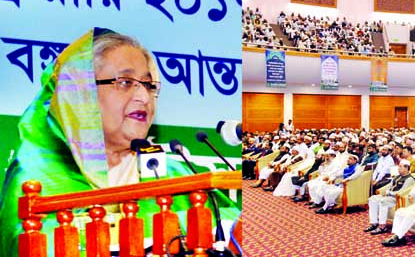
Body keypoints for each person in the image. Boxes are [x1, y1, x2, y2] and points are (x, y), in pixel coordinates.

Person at [0, 29, 239, 255]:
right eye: (125, 82)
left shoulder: (173, 174)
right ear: (80, 94)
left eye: (148, 85)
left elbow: (232, 226)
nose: (144, 97)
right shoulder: (35, 180)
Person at [365, 161, 415, 234]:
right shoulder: (397, 177)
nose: (399, 168)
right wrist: (386, 192)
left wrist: (389, 193)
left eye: (401, 167)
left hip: (397, 199)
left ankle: (382, 226)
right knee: (372, 199)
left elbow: (402, 192)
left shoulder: (409, 179)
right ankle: (374, 223)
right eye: (399, 166)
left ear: (407, 168)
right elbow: (389, 187)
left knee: (383, 201)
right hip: (389, 196)